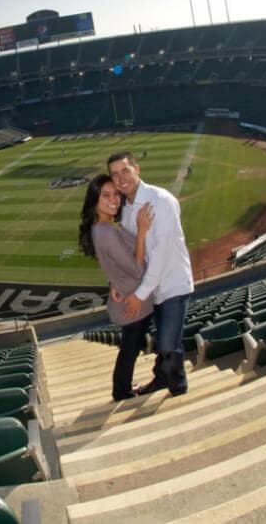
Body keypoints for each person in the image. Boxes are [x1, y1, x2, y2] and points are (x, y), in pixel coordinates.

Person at [108, 150, 193, 396]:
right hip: (151, 288)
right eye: (114, 175)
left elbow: (161, 254)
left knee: (167, 344)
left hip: (172, 284)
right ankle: (162, 379)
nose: (121, 178)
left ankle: (179, 389)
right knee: (165, 342)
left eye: (125, 170)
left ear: (137, 170)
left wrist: (139, 294)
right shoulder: (126, 211)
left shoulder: (161, 200)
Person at [79, 174, 155, 401]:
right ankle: (121, 391)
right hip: (135, 301)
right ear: (95, 200)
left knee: (130, 347)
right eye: (106, 195)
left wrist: (114, 281)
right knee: (130, 349)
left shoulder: (102, 227)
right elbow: (136, 268)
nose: (114, 200)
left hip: (129, 295)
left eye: (116, 195)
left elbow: (115, 262)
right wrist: (142, 230)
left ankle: (122, 387)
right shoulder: (106, 231)